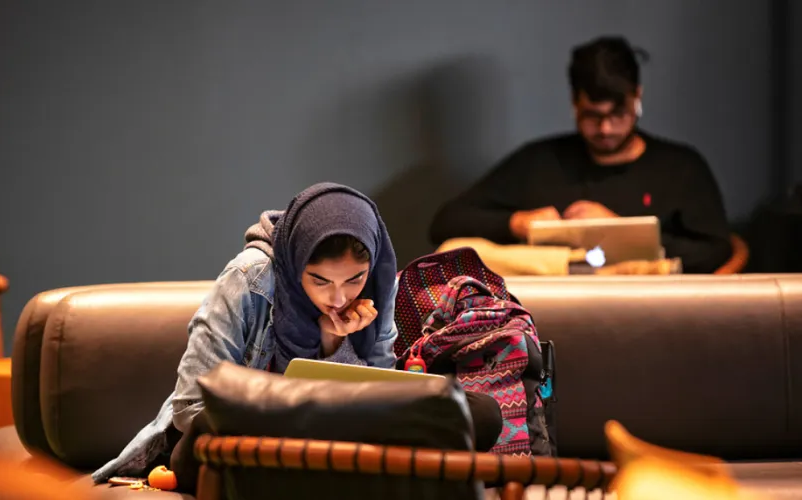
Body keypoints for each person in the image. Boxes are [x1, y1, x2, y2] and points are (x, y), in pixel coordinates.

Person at [92, 182, 503, 493]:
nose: (339, 297)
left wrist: (333, 345)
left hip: (331, 441)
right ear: (295, 263)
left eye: (354, 279)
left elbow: (383, 398)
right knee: (209, 433)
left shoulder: (377, 287)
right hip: (242, 441)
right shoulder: (248, 280)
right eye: (320, 280)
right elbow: (189, 407)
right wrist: (281, 406)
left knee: (480, 414)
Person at [429, 36, 733, 274]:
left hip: (651, 314)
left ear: (637, 96)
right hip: (550, 319)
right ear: (575, 103)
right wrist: (517, 223)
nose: (605, 128)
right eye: (592, 116)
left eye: (619, 114)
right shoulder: (539, 161)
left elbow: (716, 250)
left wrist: (620, 233)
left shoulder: (679, 167)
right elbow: (445, 224)